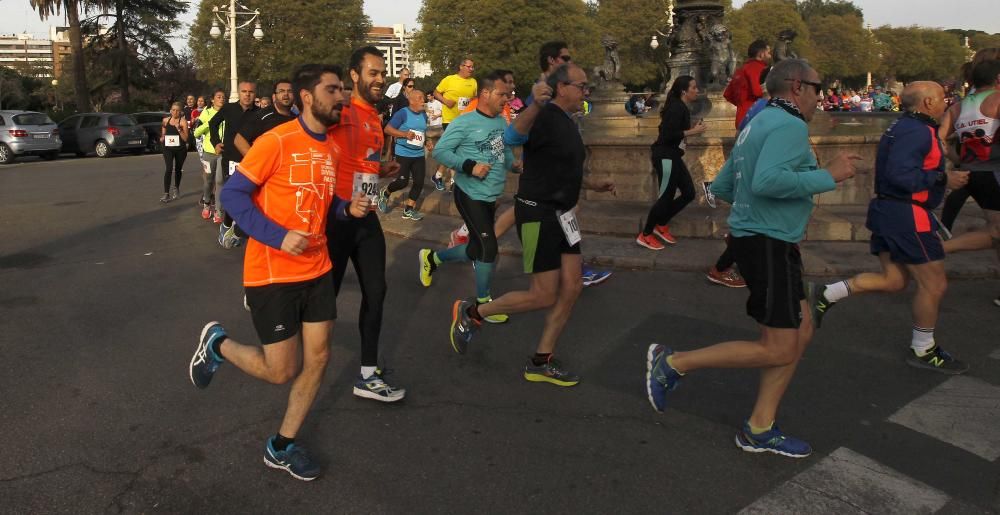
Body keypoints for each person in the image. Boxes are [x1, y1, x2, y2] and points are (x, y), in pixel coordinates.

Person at [646, 59, 862, 458]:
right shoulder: (790, 124)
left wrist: (772, 212)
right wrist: (828, 175)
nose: (822, 95)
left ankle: (760, 426)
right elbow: (766, 182)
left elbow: (725, 185)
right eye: (819, 86)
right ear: (798, 86)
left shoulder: (757, 123)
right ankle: (674, 363)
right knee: (780, 346)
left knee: (802, 331)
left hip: (765, 238)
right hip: (768, 243)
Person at [189, 63, 366, 481]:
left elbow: (326, 204)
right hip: (273, 271)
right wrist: (278, 235)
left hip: (317, 266)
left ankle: (282, 445)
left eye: (341, 89)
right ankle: (218, 345)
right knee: (281, 370)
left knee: (318, 358)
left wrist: (347, 209)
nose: (340, 97)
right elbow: (233, 196)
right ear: (307, 96)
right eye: (332, 89)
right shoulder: (276, 141)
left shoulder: (332, 149)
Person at [448, 64, 616, 386]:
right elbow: (512, 136)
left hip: (564, 216)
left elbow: (562, 167)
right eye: (582, 87)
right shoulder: (543, 114)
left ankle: (541, 360)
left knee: (573, 286)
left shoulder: (568, 121)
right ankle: (472, 314)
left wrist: (592, 185)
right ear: (562, 88)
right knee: (542, 295)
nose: (586, 92)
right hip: (537, 214)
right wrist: (535, 105)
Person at [810, 82, 970, 374]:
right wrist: (943, 179)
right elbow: (899, 175)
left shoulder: (904, 126)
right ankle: (924, 349)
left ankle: (826, 294)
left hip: (891, 212)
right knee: (933, 284)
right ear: (928, 102)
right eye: (943, 98)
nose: (947, 103)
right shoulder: (917, 131)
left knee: (894, 280)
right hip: (907, 215)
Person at [326, 46, 405, 402]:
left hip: (367, 217)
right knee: (324, 298)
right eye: (373, 72)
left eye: (382, 73)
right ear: (354, 75)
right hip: (338, 218)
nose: (380, 79)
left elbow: (364, 163)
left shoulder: (374, 117)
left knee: (377, 291)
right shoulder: (339, 112)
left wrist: (381, 170)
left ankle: (368, 375)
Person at [419, 71, 516, 324]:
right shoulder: (465, 122)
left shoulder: (500, 122)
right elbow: (440, 151)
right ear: (485, 94)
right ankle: (483, 304)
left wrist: (515, 166)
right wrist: (470, 165)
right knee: (488, 247)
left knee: (475, 249)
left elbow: (503, 151)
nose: (506, 99)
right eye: (501, 94)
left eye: (508, 94)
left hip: (490, 195)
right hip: (469, 193)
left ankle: (433, 257)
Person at [939, 57, 1000, 307]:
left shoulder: (958, 106)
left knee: (996, 229)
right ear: (998, 79)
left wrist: (958, 157)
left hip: (971, 173)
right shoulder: (997, 99)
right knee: (997, 231)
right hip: (994, 172)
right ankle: (940, 248)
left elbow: (938, 140)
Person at [636, 75, 706, 250]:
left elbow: (672, 130)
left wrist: (690, 130)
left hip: (673, 155)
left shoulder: (680, 107)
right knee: (666, 196)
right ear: (684, 91)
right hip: (665, 156)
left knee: (689, 192)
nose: (697, 90)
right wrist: (693, 131)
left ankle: (662, 223)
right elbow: (667, 135)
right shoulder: (676, 108)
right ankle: (645, 234)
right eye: (694, 88)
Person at [209, 81, 260, 248]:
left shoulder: (260, 113)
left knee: (249, 196)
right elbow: (212, 124)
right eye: (244, 91)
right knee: (234, 195)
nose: (247, 95)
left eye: (251, 92)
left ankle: (238, 229)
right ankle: (226, 225)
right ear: (239, 93)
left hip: (251, 159)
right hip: (230, 158)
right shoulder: (229, 109)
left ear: (255, 94)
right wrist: (216, 142)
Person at [380, 88, 432, 220]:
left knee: (419, 182)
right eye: (420, 98)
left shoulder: (423, 114)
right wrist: (404, 134)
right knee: (402, 182)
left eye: (423, 98)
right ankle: (386, 192)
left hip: (418, 154)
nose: (423, 100)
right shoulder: (402, 113)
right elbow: (387, 129)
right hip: (403, 153)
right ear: (412, 101)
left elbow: (423, 132)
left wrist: (428, 141)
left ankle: (409, 209)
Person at [431, 59, 477, 191]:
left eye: (472, 67)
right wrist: (445, 101)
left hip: (465, 120)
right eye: (469, 67)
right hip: (450, 120)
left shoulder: (473, 82)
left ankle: (439, 176)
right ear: (461, 66)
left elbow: (473, 99)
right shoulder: (449, 79)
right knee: (454, 149)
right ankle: (452, 181)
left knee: (456, 151)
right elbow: (435, 92)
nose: (471, 69)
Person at [233, 79, 295, 156]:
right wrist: (256, 162)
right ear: (274, 96)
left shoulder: (296, 119)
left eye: (290, 91)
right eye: (281, 91)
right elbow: (239, 140)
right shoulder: (262, 115)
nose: (286, 94)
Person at [194, 90, 226, 221]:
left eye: (224, 97)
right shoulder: (205, 113)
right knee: (208, 181)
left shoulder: (228, 113)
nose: (222, 99)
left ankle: (218, 211)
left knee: (220, 181)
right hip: (208, 153)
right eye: (219, 97)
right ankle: (207, 203)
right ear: (212, 100)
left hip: (223, 153)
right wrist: (211, 123)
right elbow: (196, 133)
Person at [724, 39, 771, 128]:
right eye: (768, 53)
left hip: (741, 117)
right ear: (761, 54)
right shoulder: (758, 68)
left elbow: (727, 94)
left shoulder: (740, 70)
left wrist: (742, 104)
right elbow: (757, 91)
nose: (770, 56)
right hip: (755, 117)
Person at [159, 102, 189, 203]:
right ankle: (166, 193)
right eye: (173, 110)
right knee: (168, 168)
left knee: (178, 169)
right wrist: (162, 138)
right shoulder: (165, 120)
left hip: (180, 149)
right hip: (168, 148)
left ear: (180, 112)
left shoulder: (183, 121)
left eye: (177, 110)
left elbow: (185, 139)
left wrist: (179, 129)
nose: (175, 112)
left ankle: (176, 188)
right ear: (170, 110)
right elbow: (163, 133)